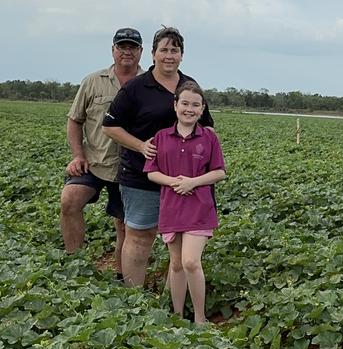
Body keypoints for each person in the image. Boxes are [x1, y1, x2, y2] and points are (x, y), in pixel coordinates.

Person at [102, 26, 214, 287]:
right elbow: (110, 126)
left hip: (184, 181)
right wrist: (141, 146)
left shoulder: (189, 86)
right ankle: (134, 298)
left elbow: (208, 127)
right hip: (142, 176)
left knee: (180, 241)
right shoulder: (136, 88)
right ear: (152, 54)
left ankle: (171, 303)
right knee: (140, 236)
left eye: (174, 50)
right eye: (163, 50)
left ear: (182, 55)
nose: (169, 56)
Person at [60, 27, 144, 281]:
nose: (126, 51)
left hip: (130, 167)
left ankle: (122, 277)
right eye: (122, 46)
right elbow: (75, 120)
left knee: (123, 224)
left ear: (141, 52)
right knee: (70, 200)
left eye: (132, 47)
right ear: (113, 50)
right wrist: (78, 155)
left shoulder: (149, 84)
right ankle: (74, 264)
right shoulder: (93, 81)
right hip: (95, 162)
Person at [144, 81, 226, 323]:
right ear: (175, 105)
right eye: (185, 103)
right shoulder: (160, 137)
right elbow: (151, 172)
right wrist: (173, 182)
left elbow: (219, 172)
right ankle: (177, 316)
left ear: (202, 110)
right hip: (171, 207)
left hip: (199, 207)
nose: (189, 109)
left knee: (191, 261)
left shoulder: (209, 137)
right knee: (177, 264)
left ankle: (200, 319)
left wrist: (193, 182)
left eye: (196, 105)